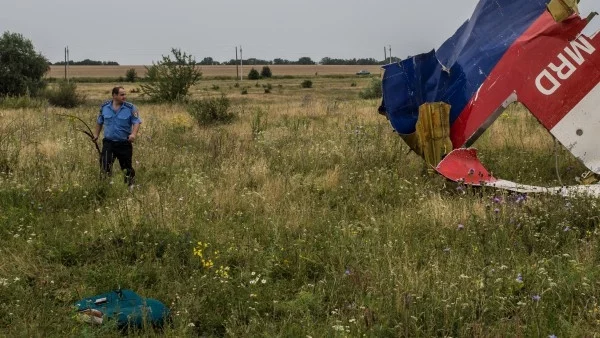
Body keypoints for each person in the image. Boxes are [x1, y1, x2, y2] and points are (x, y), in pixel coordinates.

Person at [92, 86, 142, 188]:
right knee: (105, 165)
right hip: (108, 143)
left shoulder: (131, 108)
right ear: (114, 95)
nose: (124, 97)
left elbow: (136, 122)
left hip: (124, 143)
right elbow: (99, 121)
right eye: (122, 94)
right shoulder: (104, 107)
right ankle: (105, 186)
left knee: (126, 167)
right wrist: (96, 134)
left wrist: (133, 134)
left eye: (125, 94)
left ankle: (130, 187)